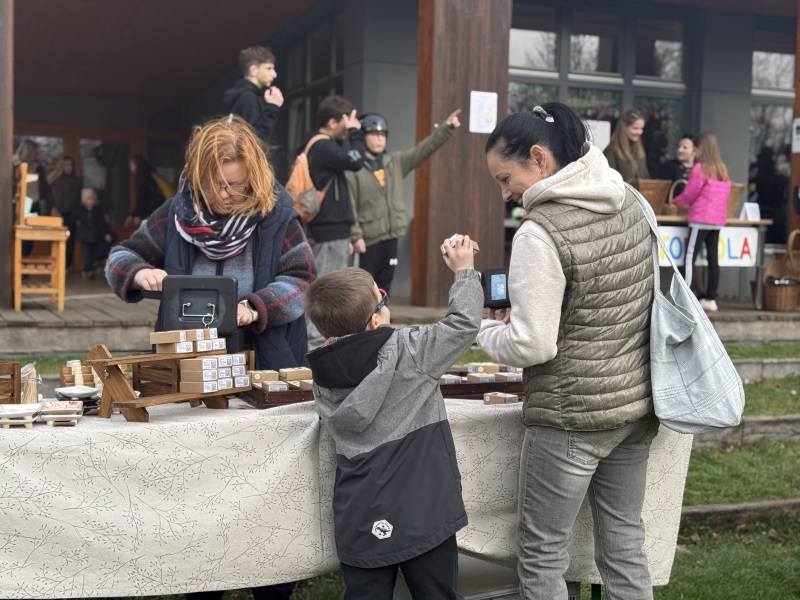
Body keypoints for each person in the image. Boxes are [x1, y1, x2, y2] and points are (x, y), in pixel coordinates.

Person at [481, 103, 660, 600]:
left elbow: (532, 344)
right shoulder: (629, 199)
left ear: (539, 158)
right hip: (636, 405)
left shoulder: (539, 231)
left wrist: (484, 331)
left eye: (505, 178)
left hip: (571, 416)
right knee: (625, 544)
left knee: (542, 554)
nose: (504, 193)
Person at [303, 234, 481, 600]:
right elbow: (463, 324)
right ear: (374, 321)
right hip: (422, 510)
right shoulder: (410, 351)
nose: (387, 302)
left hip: (359, 514)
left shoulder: (323, 373)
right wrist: (464, 271)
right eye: (382, 299)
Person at [106, 115, 316, 377]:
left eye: (235, 185)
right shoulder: (176, 214)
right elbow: (121, 257)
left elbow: (302, 282)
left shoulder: (278, 217)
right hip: (186, 362)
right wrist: (138, 273)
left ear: (253, 177)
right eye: (214, 185)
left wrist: (255, 308)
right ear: (197, 176)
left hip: (265, 362)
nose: (224, 195)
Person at [346, 109, 461, 293]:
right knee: (364, 289)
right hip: (367, 240)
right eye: (374, 134)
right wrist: (356, 235)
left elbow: (422, 150)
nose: (380, 139)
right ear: (363, 137)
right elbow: (350, 204)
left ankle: (383, 312)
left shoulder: (395, 161)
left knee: (385, 287)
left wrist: (446, 128)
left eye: (383, 134)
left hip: (391, 236)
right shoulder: (354, 168)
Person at [303, 95, 366, 350]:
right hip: (329, 231)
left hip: (332, 231)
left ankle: (321, 344)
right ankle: (317, 347)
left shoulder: (323, 146)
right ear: (332, 122)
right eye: (346, 122)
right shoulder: (323, 146)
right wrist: (356, 134)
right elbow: (356, 160)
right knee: (328, 290)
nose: (350, 127)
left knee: (328, 287)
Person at [672, 132, 732, 313]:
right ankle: (710, 298)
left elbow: (690, 193)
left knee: (690, 257)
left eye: (695, 148)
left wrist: (675, 201)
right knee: (713, 259)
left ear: (700, 149)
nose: (694, 152)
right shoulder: (722, 169)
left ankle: (686, 297)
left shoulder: (699, 168)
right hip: (717, 220)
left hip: (700, 219)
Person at [223, 46, 283, 149]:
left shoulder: (242, 95)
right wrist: (272, 108)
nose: (274, 74)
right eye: (269, 68)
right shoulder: (248, 97)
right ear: (253, 70)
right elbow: (255, 138)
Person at [48, 155, 83, 267]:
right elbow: (49, 197)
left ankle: (66, 266)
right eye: (67, 165)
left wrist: (78, 216)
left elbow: (78, 201)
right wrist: (53, 208)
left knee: (70, 242)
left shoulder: (76, 182)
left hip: (72, 215)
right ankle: (56, 265)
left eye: (71, 165)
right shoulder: (54, 181)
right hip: (57, 215)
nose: (70, 167)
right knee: (56, 241)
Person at [75, 187, 115, 279]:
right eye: (89, 199)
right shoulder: (80, 210)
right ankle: (88, 270)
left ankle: (90, 270)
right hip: (84, 236)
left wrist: (105, 234)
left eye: (92, 199)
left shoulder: (98, 210)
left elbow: (101, 224)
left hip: (95, 236)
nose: (91, 201)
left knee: (94, 255)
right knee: (87, 256)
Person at [603, 109, 650, 182]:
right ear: (624, 127)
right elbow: (608, 180)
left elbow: (646, 178)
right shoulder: (611, 150)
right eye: (635, 128)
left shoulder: (640, 150)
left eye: (641, 128)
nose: (640, 132)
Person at [125, 155, 167, 229]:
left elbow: (142, 195)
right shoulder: (149, 171)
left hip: (151, 211)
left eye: (130, 165)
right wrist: (133, 214)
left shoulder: (140, 173)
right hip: (160, 207)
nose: (130, 168)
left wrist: (138, 214)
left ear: (135, 163)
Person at [657, 133, 695, 197]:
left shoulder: (699, 169)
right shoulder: (669, 167)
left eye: (685, 147)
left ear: (694, 151)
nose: (680, 150)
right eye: (678, 146)